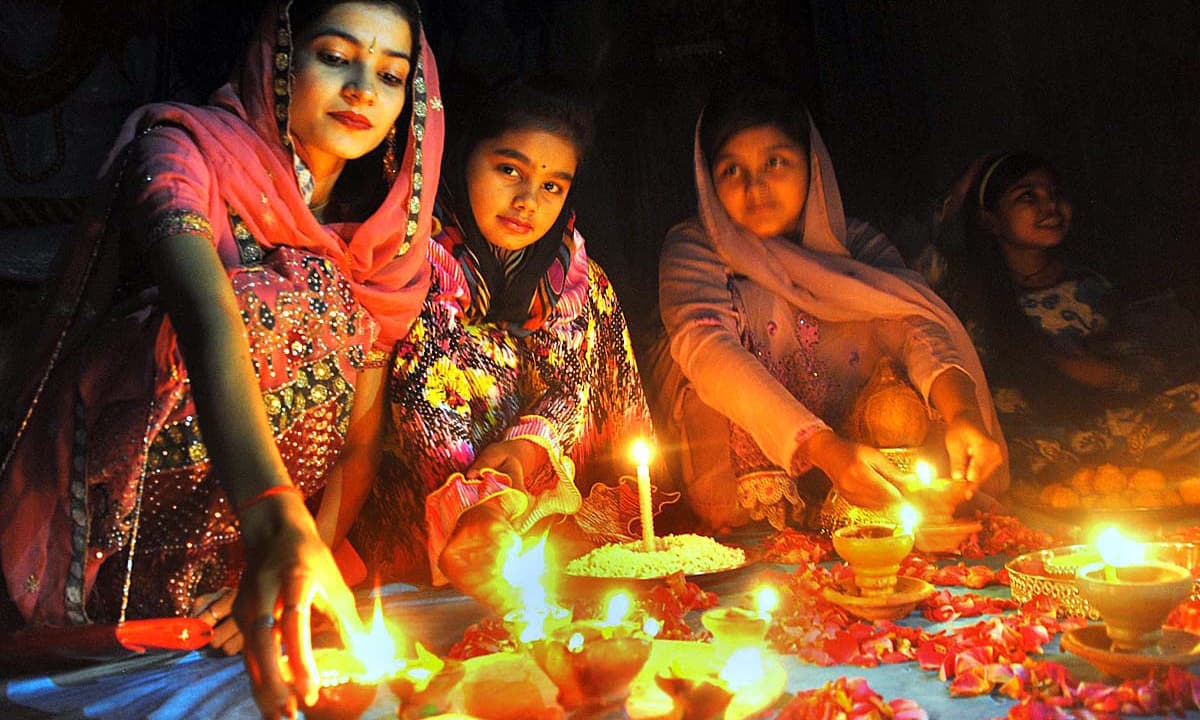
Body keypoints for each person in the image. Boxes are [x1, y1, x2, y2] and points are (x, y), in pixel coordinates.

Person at [0, 1, 442, 717]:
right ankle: (122, 593)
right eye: (335, 56)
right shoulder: (180, 149)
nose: (363, 88)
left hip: (257, 548)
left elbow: (361, 440)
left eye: (392, 75)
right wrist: (276, 516)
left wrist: (306, 555)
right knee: (286, 299)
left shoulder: (388, 239)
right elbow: (209, 319)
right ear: (279, 59)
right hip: (125, 510)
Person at [348, 78, 660, 608]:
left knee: (598, 297)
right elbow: (427, 400)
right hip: (420, 508)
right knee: (450, 336)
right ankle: (468, 538)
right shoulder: (407, 261)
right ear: (464, 155)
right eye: (509, 170)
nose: (527, 202)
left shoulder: (569, 272)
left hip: (523, 488)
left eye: (552, 186)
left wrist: (512, 464)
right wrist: (479, 502)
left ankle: (573, 537)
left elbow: (570, 390)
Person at [648, 79, 1006, 533]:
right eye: (732, 171)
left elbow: (915, 324)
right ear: (708, 180)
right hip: (745, 477)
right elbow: (707, 349)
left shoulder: (852, 244)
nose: (755, 186)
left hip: (860, 451)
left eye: (775, 162)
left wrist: (963, 415)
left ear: (812, 165)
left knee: (878, 305)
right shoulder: (697, 246)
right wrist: (822, 447)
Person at [943, 151, 1200, 487]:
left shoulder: (1088, 288)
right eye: (1027, 196)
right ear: (990, 220)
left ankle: (1110, 475)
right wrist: (959, 194)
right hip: (1027, 436)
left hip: (1098, 422)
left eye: (1054, 194)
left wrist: (1091, 372)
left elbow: (1137, 369)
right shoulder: (968, 294)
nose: (1049, 206)